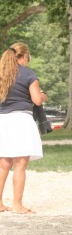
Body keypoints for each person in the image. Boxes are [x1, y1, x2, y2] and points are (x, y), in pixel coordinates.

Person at [0, 42, 48, 214]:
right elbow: (36, 100)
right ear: (24, 56)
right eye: (29, 57)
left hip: (3, 120)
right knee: (20, 164)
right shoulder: (28, 74)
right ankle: (17, 205)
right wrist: (43, 95)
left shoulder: (2, 73)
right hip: (21, 120)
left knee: (3, 164)